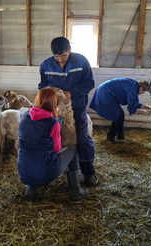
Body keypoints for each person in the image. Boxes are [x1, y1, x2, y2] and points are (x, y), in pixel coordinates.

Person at [38, 37, 97, 187]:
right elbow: (43, 87)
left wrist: (72, 92)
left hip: (76, 108)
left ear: (69, 50)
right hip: (54, 111)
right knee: (51, 139)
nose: (60, 60)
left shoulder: (81, 61)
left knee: (83, 138)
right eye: (57, 56)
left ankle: (88, 172)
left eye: (63, 56)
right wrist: (53, 95)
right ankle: (51, 170)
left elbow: (89, 83)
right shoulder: (46, 65)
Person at [17, 87, 89, 201]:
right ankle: (76, 191)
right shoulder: (52, 122)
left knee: (31, 155)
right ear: (54, 103)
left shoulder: (24, 117)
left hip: (23, 171)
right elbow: (56, 149)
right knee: (73, 151)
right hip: (47, 172)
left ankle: (30, 189)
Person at [89, 78, 151, 143]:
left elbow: (136, 103)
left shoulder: (134, 86)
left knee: (121, 114)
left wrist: (150, 107)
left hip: (105, 90)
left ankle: (120, 136)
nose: (142, 93)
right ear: (141, 88)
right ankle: (111, 137)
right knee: (118, 115)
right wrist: (144, 113)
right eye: (143, 92)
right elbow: (132, 110)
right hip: (105, 93)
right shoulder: (133, 89)